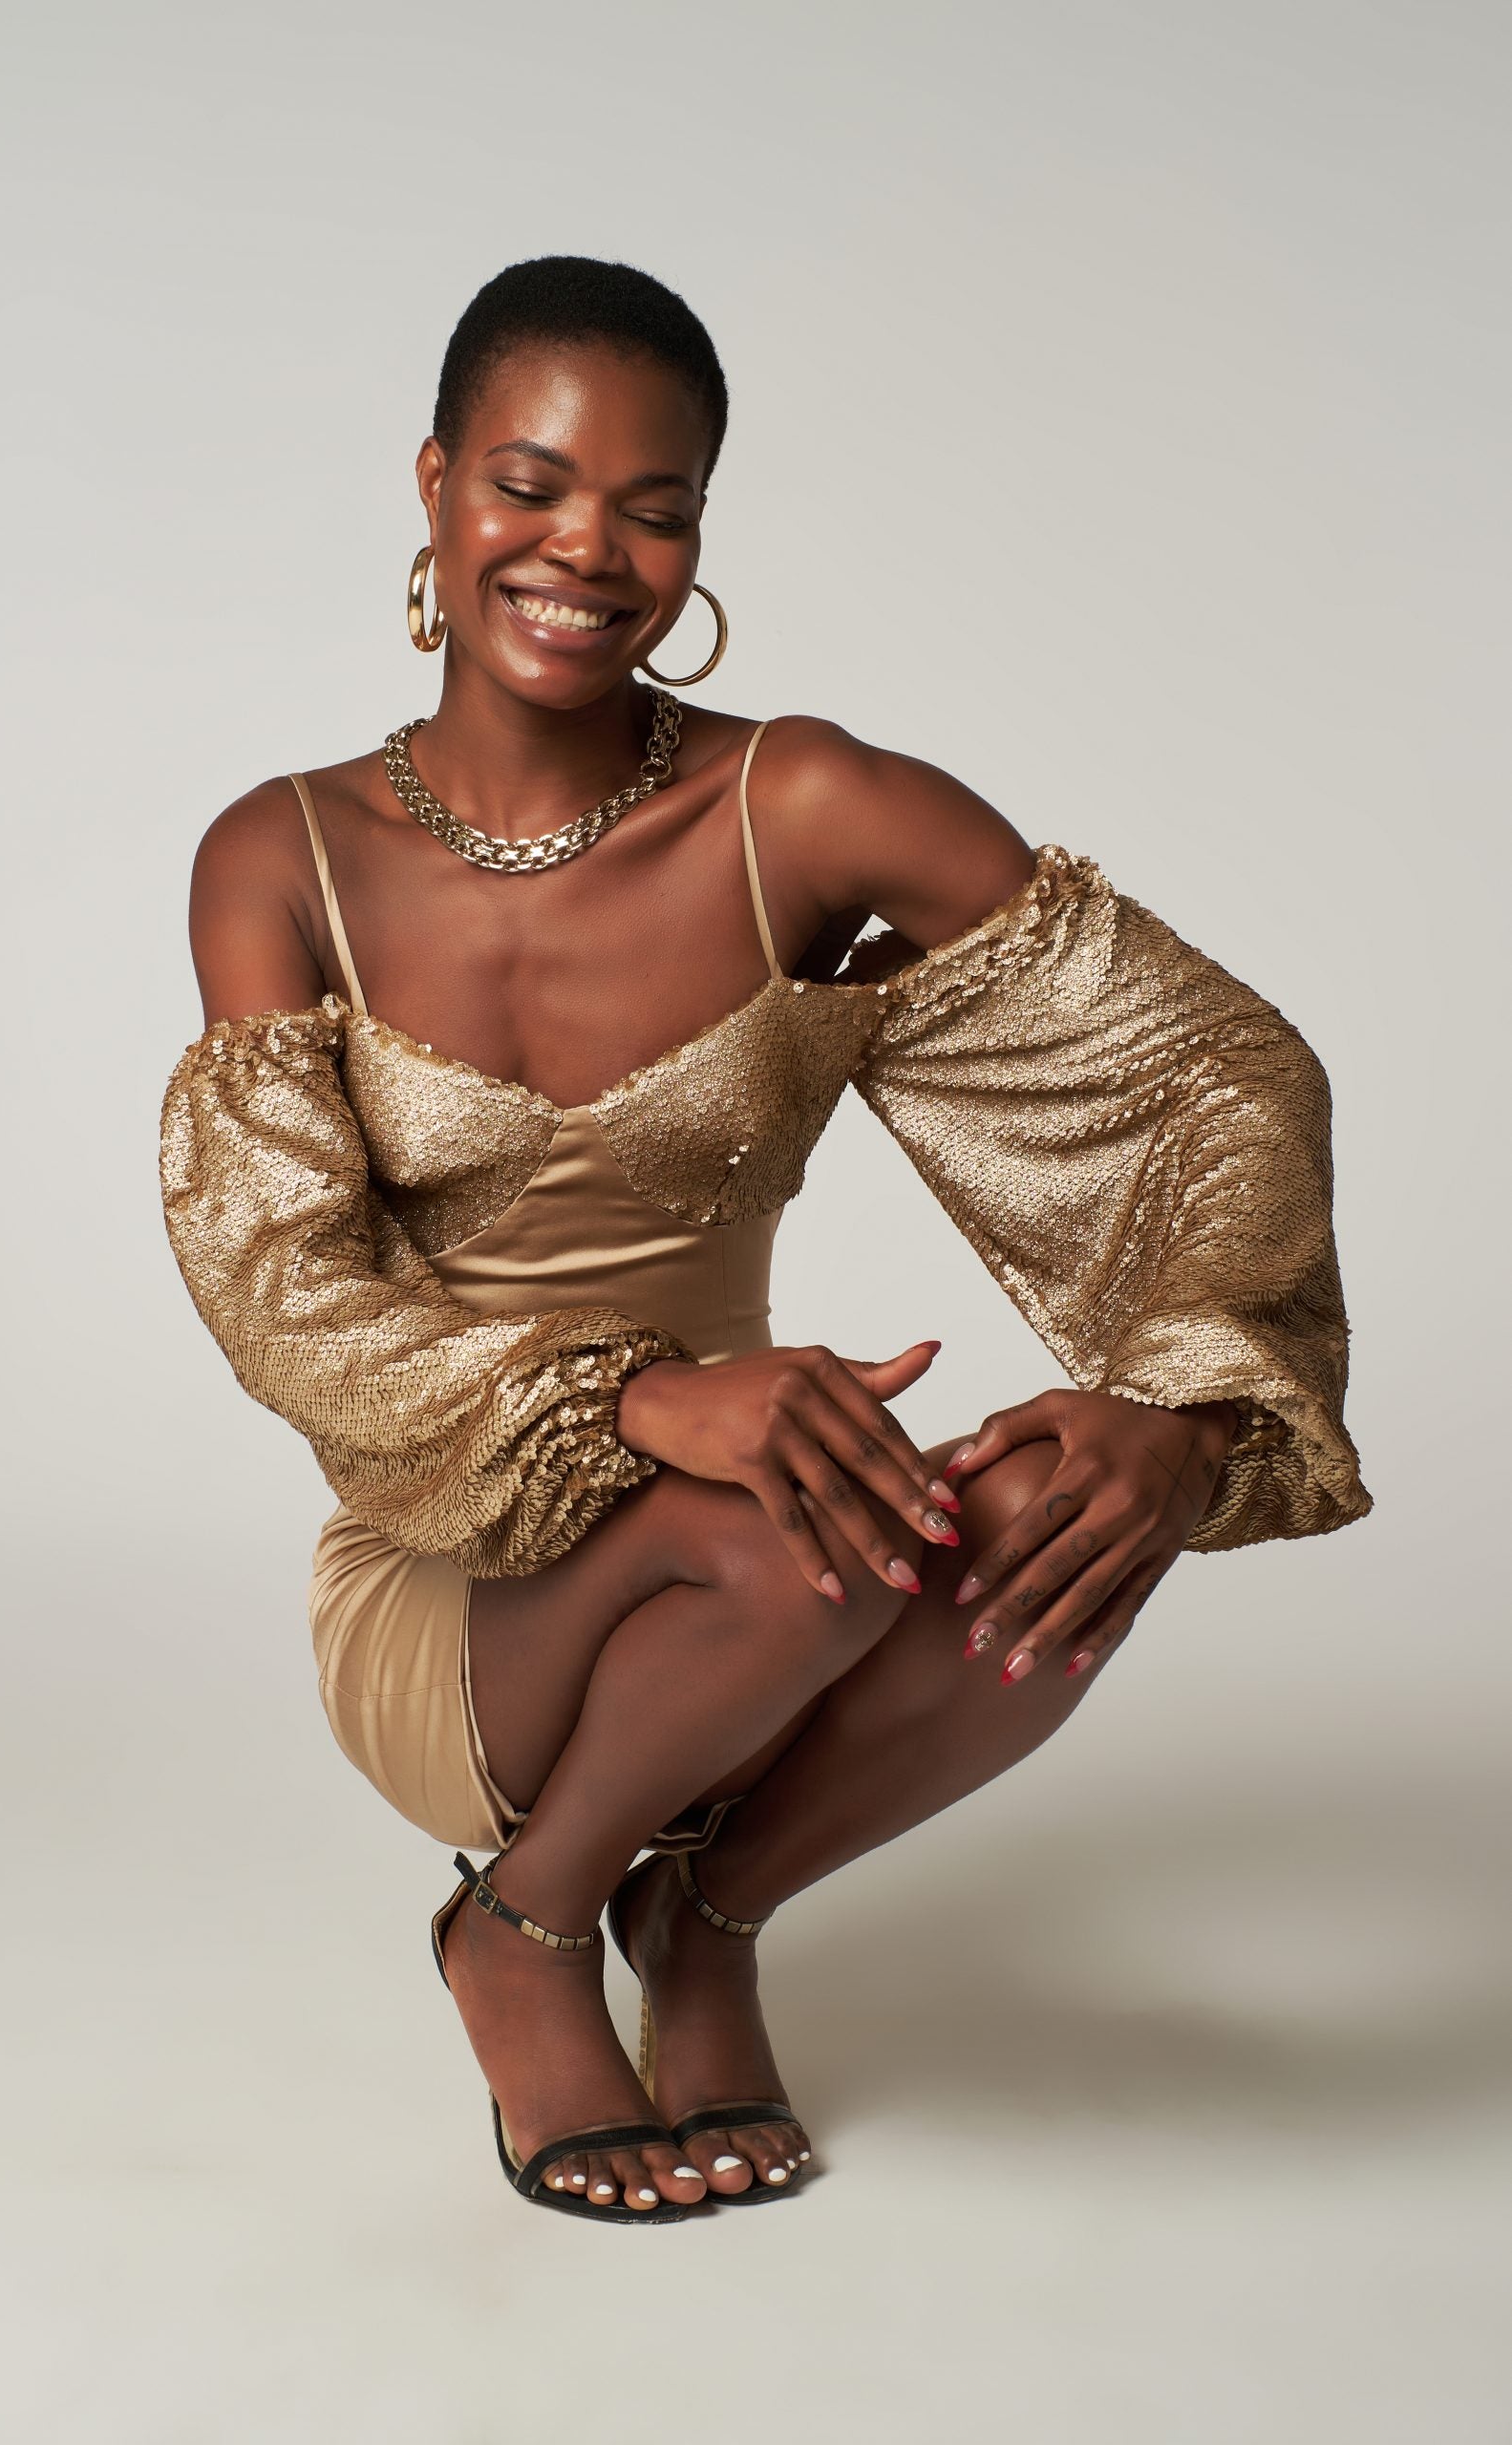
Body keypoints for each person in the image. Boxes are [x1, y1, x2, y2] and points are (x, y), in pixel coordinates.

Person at [160, 255, 1371, 2224]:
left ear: (703, 532)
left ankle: (703, 1915)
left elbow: (1216, 1073)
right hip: (458, 1588)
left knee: (1048, 1514)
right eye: (530, 485)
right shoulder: (277, 856)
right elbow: (283, 1296)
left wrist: (1180, 1397)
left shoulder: (792, 804)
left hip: (775, 1542)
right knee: (787, 1521)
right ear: (436, 483)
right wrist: (641, 1399)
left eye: (654, 507)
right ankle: (522, 1926)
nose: (586, 549)